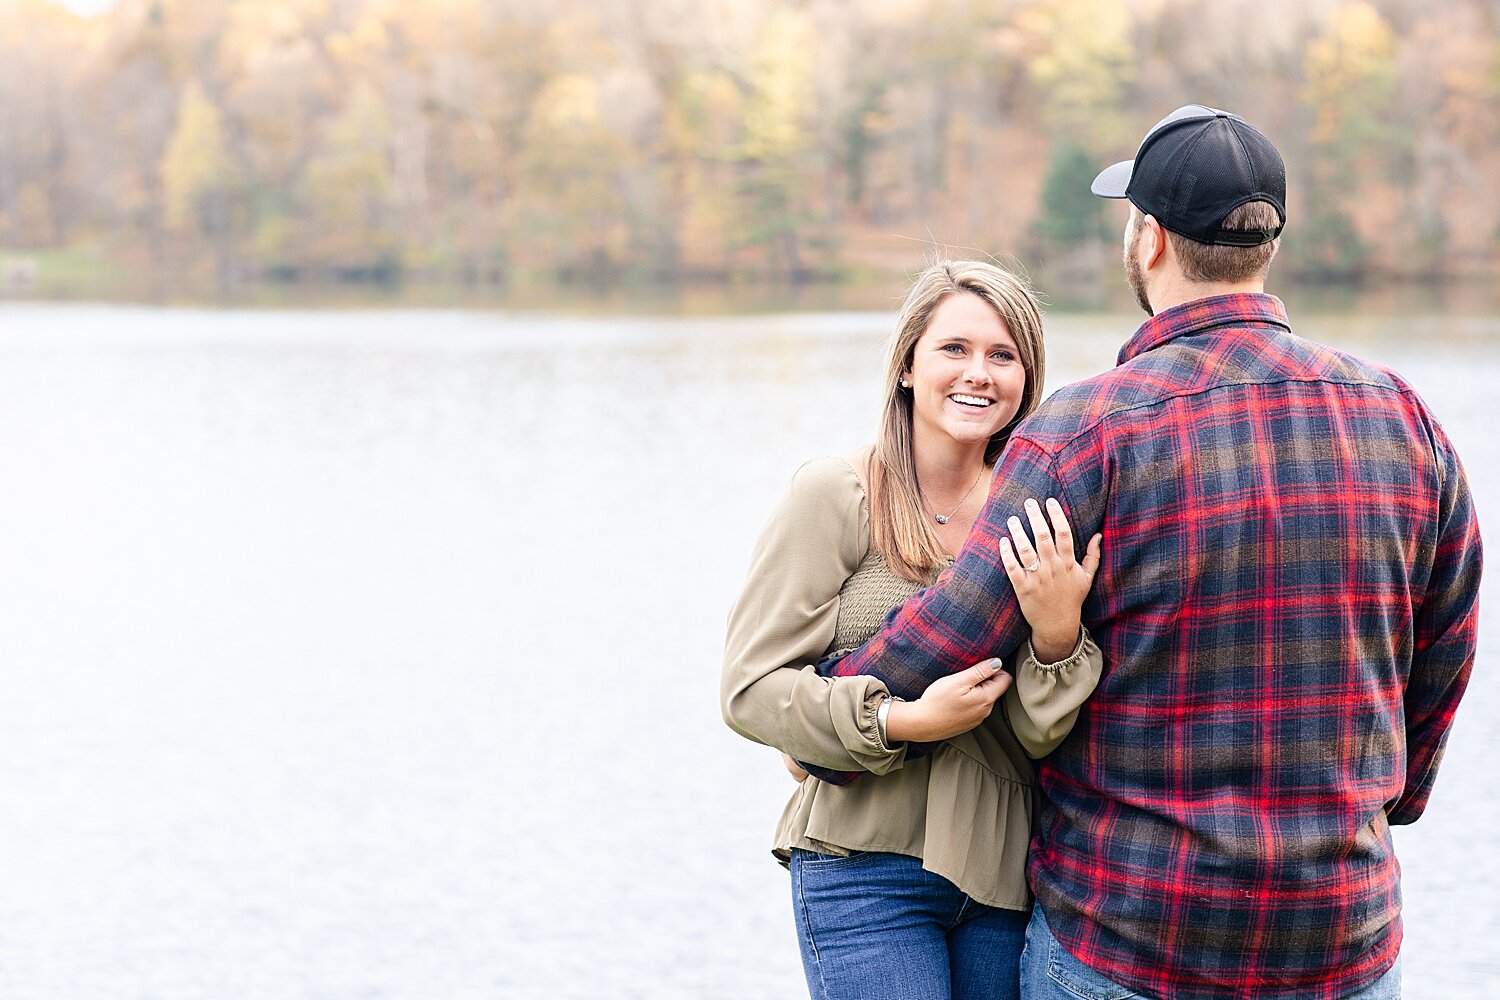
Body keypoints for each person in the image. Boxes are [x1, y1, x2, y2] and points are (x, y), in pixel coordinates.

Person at [807, 107, 1483, 999]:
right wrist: (1395, 798)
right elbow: (1449, 642)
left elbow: (955, 633)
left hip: (1131, 942)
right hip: (1341, 938)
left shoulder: (1083, 435)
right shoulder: (1402, 418)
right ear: (1265, 243)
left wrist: (831, 712)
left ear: (1150, 239)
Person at [722, 259, 1105, 1000]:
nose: (979, 374)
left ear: (1028, 380)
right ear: (906, 366)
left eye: (1004, 355)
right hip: (864, 868)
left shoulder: (1040, 516)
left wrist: (1058, 638)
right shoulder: (838, 492)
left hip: (1004, 881)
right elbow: (750, 690)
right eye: (954, 349)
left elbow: (1034, 735)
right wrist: (900, 719)